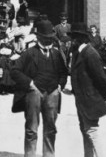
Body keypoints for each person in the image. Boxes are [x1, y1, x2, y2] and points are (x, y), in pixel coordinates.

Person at [10, 20, 68, 157]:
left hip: (52, 93)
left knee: (51, 129)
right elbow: (15, 71)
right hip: (34, 93)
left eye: (50, 38)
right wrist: (30, 84)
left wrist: (60, 85)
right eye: (46, 38)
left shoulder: (56, 54)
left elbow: (64, 73)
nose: (48, 41)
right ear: (39, 37)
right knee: (31, 129)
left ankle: (49, 154)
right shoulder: (29, 53)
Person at [68, 23, 106, 157]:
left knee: (92, 132)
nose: (71, 41)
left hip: (90, 100)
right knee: (85, 131)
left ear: (79, 39)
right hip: (81, 100)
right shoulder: (77, 53)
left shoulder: (90, 53)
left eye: (73, 38)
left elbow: (102, 79)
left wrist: (100, 97)